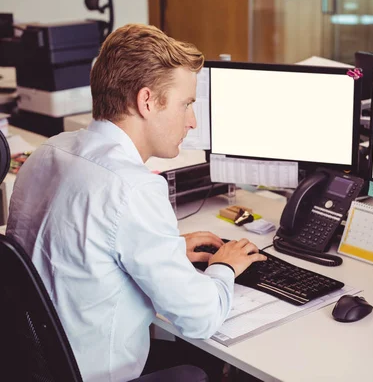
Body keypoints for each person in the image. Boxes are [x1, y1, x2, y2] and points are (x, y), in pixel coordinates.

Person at [6, 23, 266, 382]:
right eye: (186, 104)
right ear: (147, 102)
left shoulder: (48, 152)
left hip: (39, 366)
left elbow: (80, 252)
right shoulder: (133, 189)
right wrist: (225, 266)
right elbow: (200, 318)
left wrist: (169, 249)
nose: (191, 121)